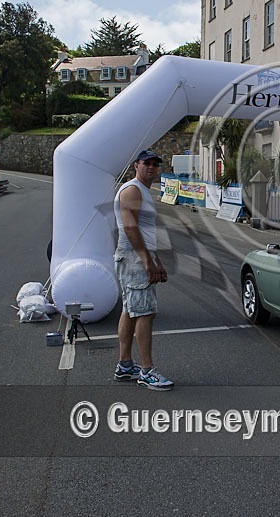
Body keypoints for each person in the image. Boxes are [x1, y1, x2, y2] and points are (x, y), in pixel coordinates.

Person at [113, 149, 174, 390]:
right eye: (146, 163)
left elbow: (145, 233)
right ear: (135, 166)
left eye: (155, 164)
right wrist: (147, 262)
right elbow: (130, 229)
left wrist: (155, 261)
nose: (151, 167)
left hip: (137, 256)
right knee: (145, 313)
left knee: (130, 310)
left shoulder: (143, 192)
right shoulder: (132, 190)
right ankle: (147, 371)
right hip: (133, 257)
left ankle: (125, 365)